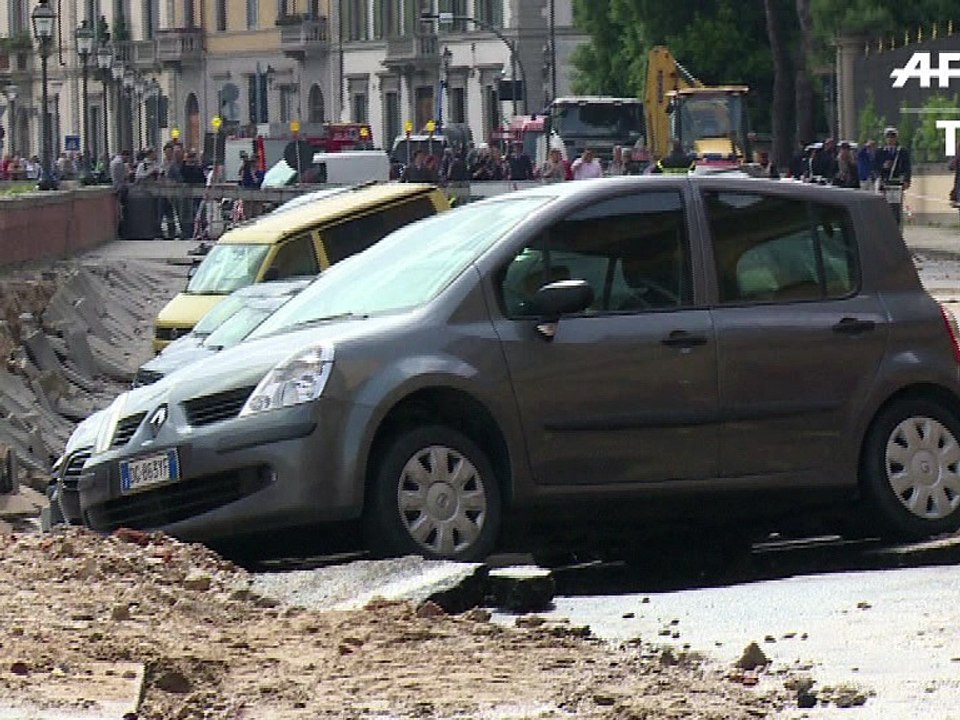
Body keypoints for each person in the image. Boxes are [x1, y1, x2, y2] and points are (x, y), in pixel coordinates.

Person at [875, 126, 911, 226]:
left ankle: (897, 226)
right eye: (888, 137)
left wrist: (907, 180)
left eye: (893, 137)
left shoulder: (902, 151)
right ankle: (885, 224)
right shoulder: (880, 152)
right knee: (884, 205)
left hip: (897, 182)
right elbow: (875, 167)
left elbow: (907, 167)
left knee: (896, 206)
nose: (890, 139)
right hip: (884, 182)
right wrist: (883, 166)